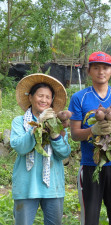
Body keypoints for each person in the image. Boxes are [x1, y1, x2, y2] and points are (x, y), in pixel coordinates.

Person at [68, 51, 111, 225]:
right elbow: (74, 134)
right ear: (89, 71)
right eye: (96, 68)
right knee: (90, 218)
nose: (101, 72)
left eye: (105, 68)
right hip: (90, 165)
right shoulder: (79, 98)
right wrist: (92, 130)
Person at [10, 73, 71, 225]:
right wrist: (37, 126)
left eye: (48, 97)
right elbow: (20, 148)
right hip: (26, 187)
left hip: (53, 187)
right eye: (40, 96)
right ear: (30, 97)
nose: (44, 100)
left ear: (51, 101)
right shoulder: (19, 122)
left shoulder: (58, 123)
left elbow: (64, 153)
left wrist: (55, 134)